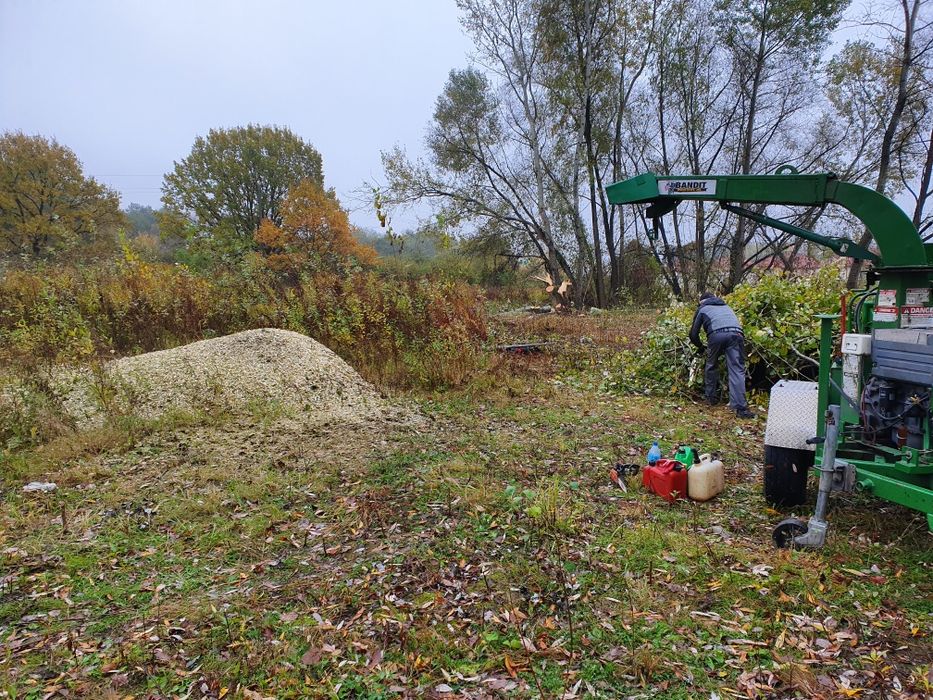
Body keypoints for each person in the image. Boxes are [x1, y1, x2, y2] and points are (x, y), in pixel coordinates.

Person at [689, 292, 753, 418]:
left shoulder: (702, 309)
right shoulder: (726, 307)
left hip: (716, 335)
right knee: (737, 370)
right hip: (737, 335)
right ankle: (740, 408)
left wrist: (701, 347)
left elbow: (693, 334)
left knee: (711, 365)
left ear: (702, 301)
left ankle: (711, 398)